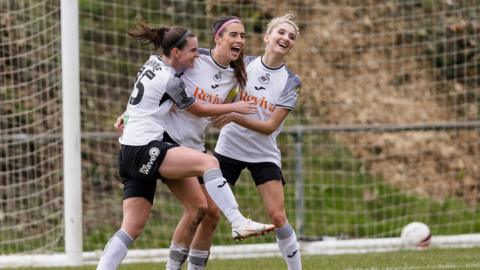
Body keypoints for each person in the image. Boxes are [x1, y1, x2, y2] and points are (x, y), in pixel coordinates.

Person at [96, 21, 275, 270]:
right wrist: (234, 107)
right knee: (209, 164)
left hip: (132, 150)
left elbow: (144, 100)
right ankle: (237, 221)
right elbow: (197, 108)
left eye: (243, 36)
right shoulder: (172, 76)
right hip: (150, 147)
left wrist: (127, 115)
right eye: (192, 50)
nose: (195, 56)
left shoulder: (155, 63)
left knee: (136, 226)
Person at [200, 14, 303, 270]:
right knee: (208, 213)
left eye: (291, 37)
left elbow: (269, 127)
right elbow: (207, 61)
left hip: (263, 154)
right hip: (228, 150)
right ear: (267, 37)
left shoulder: (292, 82)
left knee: (278, 217)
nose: (286, 38)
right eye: (281, 32)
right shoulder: (242, 64)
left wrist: (233, 114)